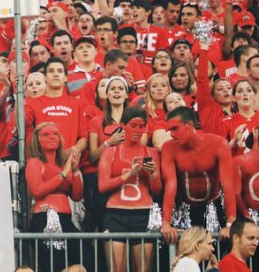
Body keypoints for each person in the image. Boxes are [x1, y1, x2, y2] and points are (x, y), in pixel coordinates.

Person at [98, 108, 162, 272]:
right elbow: (102, 186)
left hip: (143, 212)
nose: (137, 130)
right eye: (133, 125)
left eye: (141, 126)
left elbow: (157, 190)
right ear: (123, 126)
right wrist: (128, 175)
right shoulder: (110, 151)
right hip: (116, 213)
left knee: (143, 269)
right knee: (116, 269)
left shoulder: (151, 152)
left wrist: (154, 173)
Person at [161, 107, 237, 243]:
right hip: (184, 207)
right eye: (169, 130)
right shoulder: (169, 147)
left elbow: (228, 185)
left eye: (175, 129)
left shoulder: (218, 143)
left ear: (189, 125)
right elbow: (170, 185)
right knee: (186, 252)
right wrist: (166, 223)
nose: (171, 134)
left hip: (213, 204)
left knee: (214, 251)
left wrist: (231, 223)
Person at [25, 122, 84, 272]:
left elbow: (77, 196)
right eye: (46, 134)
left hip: (66, 220)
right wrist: (63, 174)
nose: (52, 137)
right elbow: (37, 190)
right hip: (45, 219)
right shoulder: (34, 163)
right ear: (37, 141)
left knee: (86, 261)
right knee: (54, 266)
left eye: (55, 134)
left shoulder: (63, 165)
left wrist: (75, 171)